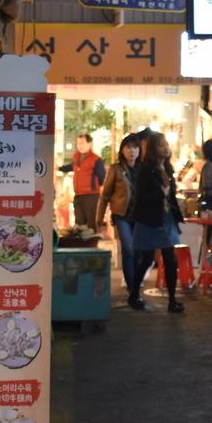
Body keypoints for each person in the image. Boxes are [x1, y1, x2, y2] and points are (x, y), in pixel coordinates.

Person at [129, 132, 185, 313]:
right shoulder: (145, 169)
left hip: (166, 219)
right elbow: (141, 197)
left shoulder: (167, 167)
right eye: (161, 145)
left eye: (166, 144)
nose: (165, 148)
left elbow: (170, 194)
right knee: (146, 259)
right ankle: (134, 294)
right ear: (154, 149)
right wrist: (161, 192)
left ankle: (172, 300)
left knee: (170, 258)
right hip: (150, 219)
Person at [97, 134, 141, 298]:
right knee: (128, 249)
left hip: (139, 216)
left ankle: (136, 283)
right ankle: (132, 288)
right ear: (122, 150)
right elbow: (105, 195)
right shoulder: (116, 169)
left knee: (139, 251)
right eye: (128, 147)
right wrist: (100, 218)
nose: (132, 151)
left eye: (135, 147)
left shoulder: (143, 168)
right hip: (121, 215)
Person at [60, 134, 105, 228]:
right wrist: (59, 168)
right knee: (79, 222)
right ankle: (81, 237)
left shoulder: (96, 159)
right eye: (78, 143)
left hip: (91, 195)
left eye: (82, 143)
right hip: (78, 194)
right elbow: (71, 167)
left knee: (91, 222)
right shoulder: (76, 156)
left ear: (89, 143)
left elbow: (102, 177)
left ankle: (92, 237)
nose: (80, 145)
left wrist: (96, 187)